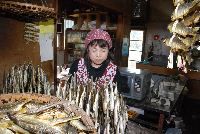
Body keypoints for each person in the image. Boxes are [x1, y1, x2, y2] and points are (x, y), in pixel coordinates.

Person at [69, 29, 121, 93]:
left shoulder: (113, 70)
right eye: (94, 50)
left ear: (108, 51)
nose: (98, 55)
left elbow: (116, 95)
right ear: (88, 50)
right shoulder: (77, 65)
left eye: (103, 51)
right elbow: (69, 89)